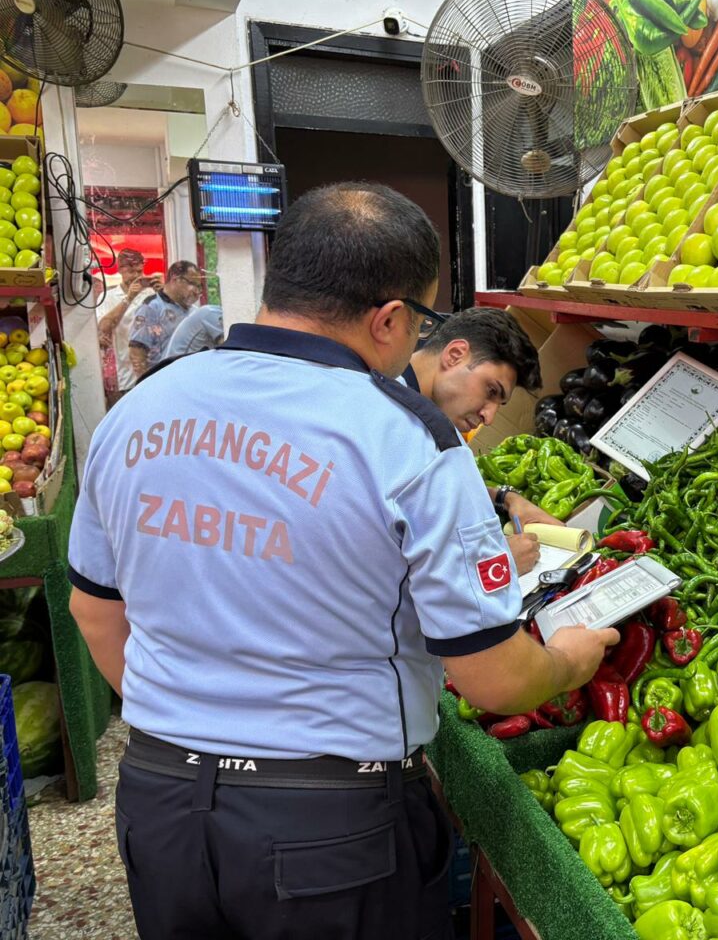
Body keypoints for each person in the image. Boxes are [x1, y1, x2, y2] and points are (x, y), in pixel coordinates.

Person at [67, 181, 617, 939]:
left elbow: (95, 612)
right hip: (330, 832)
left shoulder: (139, 410)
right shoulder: (407, 438)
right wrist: (567, 660)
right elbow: (492, 679)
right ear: (390, 318)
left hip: (160, 805)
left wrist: (197, 726)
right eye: (419, 319)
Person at [402, 306, 552, 573]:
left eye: (499, 403)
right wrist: (497, 564)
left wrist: (504, 498)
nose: (489, 417)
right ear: (455, 355)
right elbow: (396, 569)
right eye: (491, 391)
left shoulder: (425, 417)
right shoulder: (390, 426)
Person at [96, 249, 156, 398]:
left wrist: (163, 296)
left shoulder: (151, 295)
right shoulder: (108, 296)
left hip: (149, 368)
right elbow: (103, 327)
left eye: (139, 271)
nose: (136, 276)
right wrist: (128, 298)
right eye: (131, 272)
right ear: (120, 270)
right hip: (120, 371)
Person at [127, 260, 202, 379]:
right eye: (192, 283)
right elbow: (137, 354)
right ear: (175, 279)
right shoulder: (152, 307)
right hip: (164, 380)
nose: (196, 291)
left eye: (199, 286)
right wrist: (149, 384)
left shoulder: (195, 312)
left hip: (190, 379)